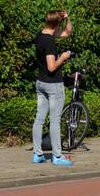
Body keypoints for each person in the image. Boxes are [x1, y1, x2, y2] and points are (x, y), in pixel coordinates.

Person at [32, 10, 74, 166]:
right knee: (55, 120)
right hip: (53, 84)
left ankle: (37, 154)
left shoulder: (41, 35)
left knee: (39, 118)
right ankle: (57, 156)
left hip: (40, 83)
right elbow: (51, 67)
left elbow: (67, 32)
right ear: (56, 25)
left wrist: (67, 18)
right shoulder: (49, 42)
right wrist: (63, 58)